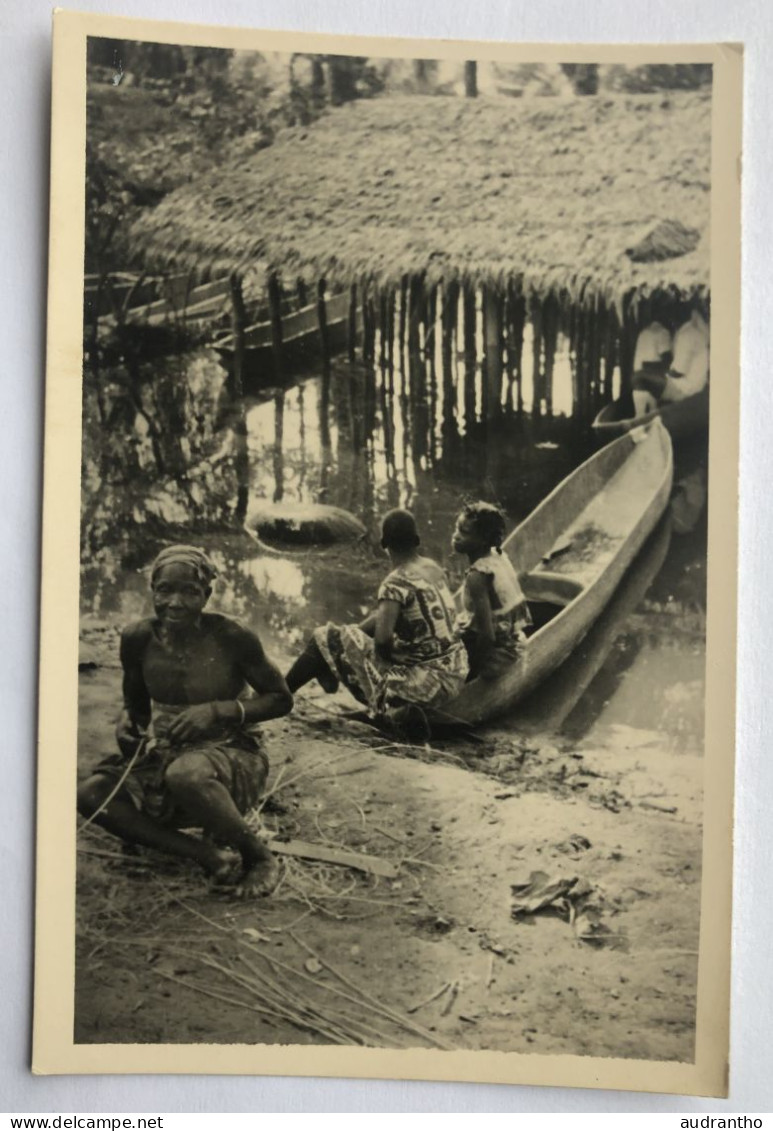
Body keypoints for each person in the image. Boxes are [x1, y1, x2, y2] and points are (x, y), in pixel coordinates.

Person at [77, 545, 293, 897]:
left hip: (233, 751)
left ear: (206, 595)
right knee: (91, 795)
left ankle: (259, 858)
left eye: (189, 592)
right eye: (164, 590)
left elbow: (282, 699)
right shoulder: (136, 639)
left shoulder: (232, 637)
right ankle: (208, 855)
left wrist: (218, 711)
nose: (175, 603)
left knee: (186, 774)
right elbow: (136, 709)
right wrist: (127, 725)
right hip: (169, 750)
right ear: (153, 591)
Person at [285, 509, 468, 727]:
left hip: (425, 686)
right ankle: (328, 665)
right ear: (417, 540)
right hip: (454, 671)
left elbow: (382, 642)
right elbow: (382, 619)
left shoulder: (395, 583)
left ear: (384, 543)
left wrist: (393, 654)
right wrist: (350, 638)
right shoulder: (433, 568)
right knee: (347, 637)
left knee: (322, 637)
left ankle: (282, 693)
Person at [451, 501, 532, 680]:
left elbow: (487, 637)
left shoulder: (477, 576)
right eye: (457, 529)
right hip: (514, 639)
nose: (456, 536)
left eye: (464, 532)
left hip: (500, 653)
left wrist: (472, 673)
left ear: (483, 540)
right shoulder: (498, 555)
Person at [632, 302, 709, 414]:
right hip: (691, 384)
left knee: (639, 377)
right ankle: (651, 413)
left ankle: (641, 416)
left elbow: (678, 372)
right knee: (646, 377)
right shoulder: (690, 331)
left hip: (686, 388)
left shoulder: (686, 335)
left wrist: (661, 374)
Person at [631, 312, 673, 417]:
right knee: (653, 416)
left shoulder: (643, 332)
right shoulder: (663, 332)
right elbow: (666, 357)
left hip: (637, 381)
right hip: (650, 380)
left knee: (639, 416)